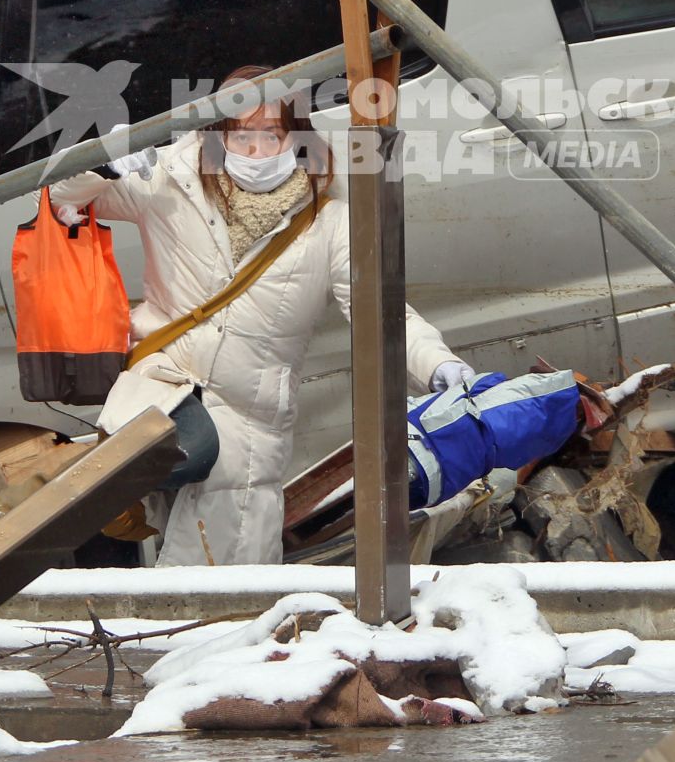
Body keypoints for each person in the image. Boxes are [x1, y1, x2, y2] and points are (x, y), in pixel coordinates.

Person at [48, 66, 473, 566]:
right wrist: (103, 161)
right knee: (157, 513)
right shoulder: (172, 179)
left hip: (250, 423)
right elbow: (59, 199)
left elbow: (379, 308)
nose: (254, 150)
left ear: (296, 137)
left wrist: (436, 363)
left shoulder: (332, 222)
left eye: (270, 134)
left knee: (226, 577)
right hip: (162, 389)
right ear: (219, 134)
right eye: (240, 134)